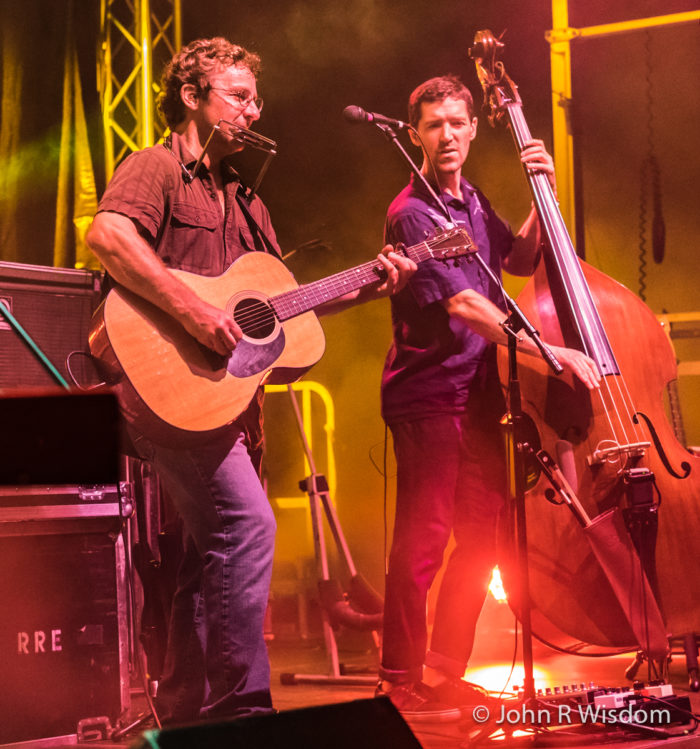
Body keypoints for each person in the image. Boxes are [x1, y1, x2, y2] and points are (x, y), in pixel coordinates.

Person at [85, 37, 415, 725]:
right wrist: (197, 310)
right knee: (248, 525)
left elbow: (283, 309)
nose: (253, 109)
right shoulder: (155, 168)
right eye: (237, 96)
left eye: (254, 97)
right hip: (165, 385)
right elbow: (110, 236)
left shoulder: (247, 203)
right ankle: (242, 707)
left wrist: (371, 285)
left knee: (209, 553)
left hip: (225, 403)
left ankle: (182, 709)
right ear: (191, 96)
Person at [376, 75, 601, 721]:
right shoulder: (412, 211)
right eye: (434, 125)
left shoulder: (470, 200)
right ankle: (398, 677)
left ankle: (445, 669)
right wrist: (552, 355)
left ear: (474, 129)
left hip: (478, 395)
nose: (447, 135)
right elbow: (466, 305)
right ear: (415, 132)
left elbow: (522, 259)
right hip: (427, 397)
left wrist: (542, 192)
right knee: (424, 540)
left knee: (480, 537)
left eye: (456, 123)